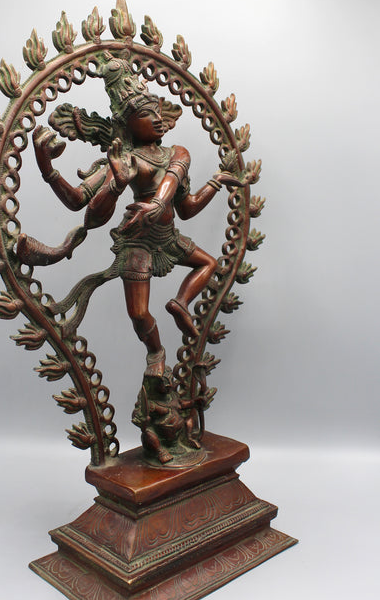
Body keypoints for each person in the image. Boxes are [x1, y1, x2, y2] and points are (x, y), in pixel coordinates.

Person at [17, 54, 243, 377]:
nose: (158, 119)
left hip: (167, 236)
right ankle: (156, 353)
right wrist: (49, 170)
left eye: (158, 111)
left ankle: (181, 302)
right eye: (146, 114)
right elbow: (79, 202)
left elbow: (186, 205)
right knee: (138, 314)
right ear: (127, 123)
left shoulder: (177, 153)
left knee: (209, 264)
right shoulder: (124, 161)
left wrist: (215, 182)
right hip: (136, 242)